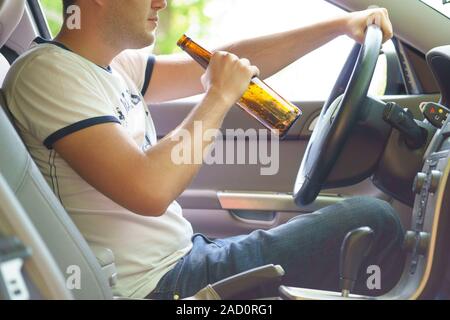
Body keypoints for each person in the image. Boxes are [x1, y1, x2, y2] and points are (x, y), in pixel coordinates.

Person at [3, 0, 404, 299]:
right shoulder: (47, 73)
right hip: (157, 288)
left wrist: (338, 26)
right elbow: (150, 189)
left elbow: (226, 63)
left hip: (188, 257)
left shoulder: (113, 65)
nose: (161, 2)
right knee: (372, 219)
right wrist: (218, 96)